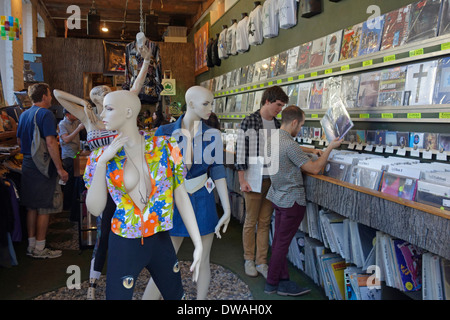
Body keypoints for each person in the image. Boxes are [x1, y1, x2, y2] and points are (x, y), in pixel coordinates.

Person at [54, 42, 153, 300]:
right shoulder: (90, 118)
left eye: (107, 94)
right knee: (103, 231)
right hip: (101, 180)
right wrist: (84, 104)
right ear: (96, 99)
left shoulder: (117, 114)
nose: (106, 97)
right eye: (101, 95)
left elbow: (137, 87)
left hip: (123, 178)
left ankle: (133, 272)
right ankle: (94, 282)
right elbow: (56, 93)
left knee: (130, 226)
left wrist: (146, 61)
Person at [83, 90, 203, 300]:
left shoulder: (167, 146)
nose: (102, 115)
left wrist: (198, 243)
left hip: (160, 238)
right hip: (124, 241)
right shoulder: (99, 156)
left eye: (109, 108)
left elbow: (181, 194)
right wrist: (102, 163)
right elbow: (94, 209)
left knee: (177, 296)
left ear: (129, 112)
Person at [142, 86, 231, 300]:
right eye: (206, 103)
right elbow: (152, 171)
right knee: (165, 261)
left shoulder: (213, 135)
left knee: (203, 259)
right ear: (190, 104)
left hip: (203, 199)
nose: (211, 108)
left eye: (212, 103)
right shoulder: (164, 132)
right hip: (173, 202)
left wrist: (227, 209)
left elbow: (217, 171)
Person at [235, 85, 322, 278]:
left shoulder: (276, 124)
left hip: (273, 181)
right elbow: (241, 151)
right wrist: (242, 180)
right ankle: (249, 259)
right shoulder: (250, 120)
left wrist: (309, 151)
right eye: (278, 104)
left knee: (265, 221)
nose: (280, 109)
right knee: (250, 221)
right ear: (267, 101)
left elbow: (288, 145)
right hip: (253, 179)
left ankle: (262, 262)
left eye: (282, 106)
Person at [264, 105, 342, 296]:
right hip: (292, 200)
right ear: (294, 122)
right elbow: (315, 169)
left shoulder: (271, 138)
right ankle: (272, 283)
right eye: (301, 125)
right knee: (282, 243)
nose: (300, 129)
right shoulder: (289, 144)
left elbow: (288, 158)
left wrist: (308, 153)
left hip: (277, 195)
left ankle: (282, 281)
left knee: (279, 241)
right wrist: (329, 148)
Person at [16, 83, 69, 259]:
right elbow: (51, 143)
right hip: (43, 165)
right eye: (49, 95)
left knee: (31, 206)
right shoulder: (45, 114)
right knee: (44, 207)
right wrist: (60, 168)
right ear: (44, 96)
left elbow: (18, 140)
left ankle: (31, 245)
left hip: (27, 164)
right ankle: (40, 248)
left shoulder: (23, 114)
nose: (51, 98)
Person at [58, 109, 85, 210]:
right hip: (68, 156)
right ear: (68, 115)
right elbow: (66, 139)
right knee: (70, 182)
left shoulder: (76, 121)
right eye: (74, 113)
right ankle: (67, 207)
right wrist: (78, 129)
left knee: (76, 181)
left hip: (77, 154)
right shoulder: (62, 124)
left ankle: (75, 206)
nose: (76, 115)